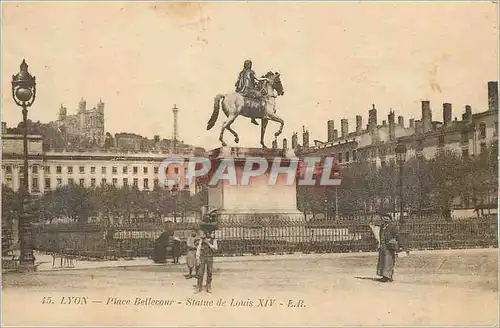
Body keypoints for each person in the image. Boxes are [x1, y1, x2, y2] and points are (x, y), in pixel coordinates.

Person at [235, 59, 267, 126]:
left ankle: (253, 117)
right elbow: (257, 79)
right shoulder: (251, 72)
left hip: (241, 90)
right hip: (249, 90)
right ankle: (257, 115)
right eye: (250, 64)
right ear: (249, 65)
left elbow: (237, 82)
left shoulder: (241, 72)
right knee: (261, 96)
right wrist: (265, 79)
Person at [376, 214, 400, 282]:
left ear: (390, 219)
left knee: (389, 261)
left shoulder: (393, 227)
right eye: (384, 219)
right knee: (382, 261)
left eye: (387, 219)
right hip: (383, 246)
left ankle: (388, 276)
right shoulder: (382, 227)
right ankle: (384, 276)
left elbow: (397, 235)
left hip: (389, 246)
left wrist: (395, 242)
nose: (385, 220)